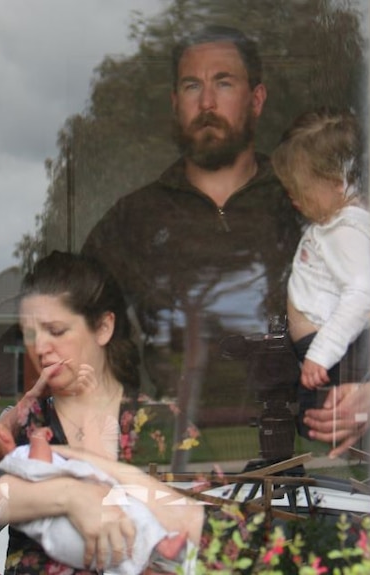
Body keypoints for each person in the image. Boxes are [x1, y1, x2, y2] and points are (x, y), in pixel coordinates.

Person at [81, 25, 303, 467]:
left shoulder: (301, 204)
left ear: (256, 100)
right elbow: (68, 310)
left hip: (296, 460)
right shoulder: (136, 218)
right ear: (174, 104)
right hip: (169, 465)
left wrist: (368, 389)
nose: (206, 103)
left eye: (223, 83)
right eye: (191, 86)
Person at [0, 250, 204, 575]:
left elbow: (202, 538)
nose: (39, 348)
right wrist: (71, 496)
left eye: (55, 331)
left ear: (103, 328)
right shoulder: (24, 422)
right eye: (30, 335)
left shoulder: (165, 427)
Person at [270, 110, 370, 450]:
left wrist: (321, 353)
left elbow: (362, 294)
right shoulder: (335, 226)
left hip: (329, 358)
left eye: (301, 189)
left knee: (319, 421)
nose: (292, 197)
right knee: (315, 422)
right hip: (322, 355)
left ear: (336, 183)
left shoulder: (346, 232)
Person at [0, 425, 189, 575]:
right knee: (136, 512)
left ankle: (152, 551)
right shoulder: (19, 461)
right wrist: (38, 439)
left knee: (119, 552)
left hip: (74, 546)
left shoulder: (8, 472)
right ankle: (161, 543)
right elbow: (40, 468)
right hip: (70, 527)